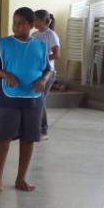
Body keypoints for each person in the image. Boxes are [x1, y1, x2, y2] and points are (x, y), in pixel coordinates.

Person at [0, 7, 52, 194]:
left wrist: (43, 80)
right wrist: (5, 74)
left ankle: (21, 179)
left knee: (28, 139)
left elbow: (47, 69)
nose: (16, 26)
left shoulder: (40, 46)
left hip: (33, 100)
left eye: (20, 23)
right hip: (8, 100)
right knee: (3, 138)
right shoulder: (3, 44)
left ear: (30, 24)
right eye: (14, 22)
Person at [32, 10, 60, 140]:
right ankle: (34, 127)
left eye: (34, 19)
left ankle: (43, 130)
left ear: (42, 21)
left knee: (40, 99)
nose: (33, 21)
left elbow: (56, 55)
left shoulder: (51, 35)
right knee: (36, 99)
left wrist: (43, 58)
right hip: (36, 71)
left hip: (48, 72)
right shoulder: (34, 34)